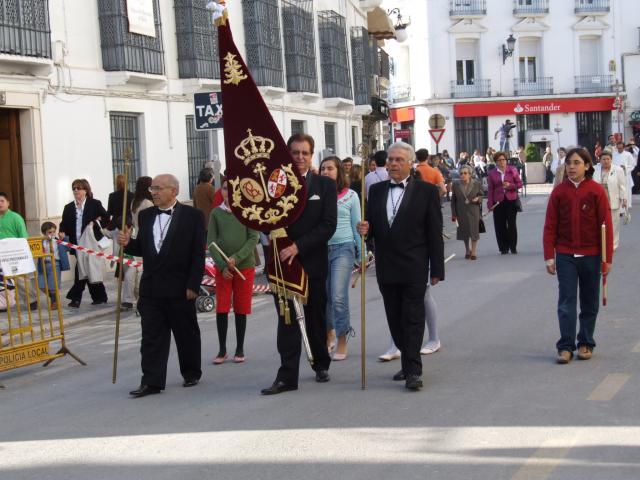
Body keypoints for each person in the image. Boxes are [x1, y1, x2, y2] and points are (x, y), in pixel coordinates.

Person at [357, 142, 444, 391]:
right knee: (394, 318)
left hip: (415, 265)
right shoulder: (376, 191)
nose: (392, 164)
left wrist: (437, 268)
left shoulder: (426, 192)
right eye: (390, 160)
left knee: (413, 317)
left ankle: (414, 370)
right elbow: (372, 226)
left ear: (410, 164)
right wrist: (365, 229)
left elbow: (434, 232)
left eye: (398, 160)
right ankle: (407, 362)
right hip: (386, 266)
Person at [261, 133, 337, 395]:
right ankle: (287, 376)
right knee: (287, 320)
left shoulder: (325, 186)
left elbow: (328, 225)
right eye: (295, 153)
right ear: (288, 155)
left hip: (312, 261)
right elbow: (264, 218)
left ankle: (320, 363)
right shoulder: (273, 185)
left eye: (305, 153)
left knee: (316, 316)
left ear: (311, 155)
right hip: (283, 263)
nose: (300, 158)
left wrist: (298, 246)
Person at [117, 174, 205, 398]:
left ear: (173, 191)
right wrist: (129, 244)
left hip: (180, 287)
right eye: (152, 189)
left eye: (158, 188)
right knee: (151, 337)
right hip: (152, 288)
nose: (153, 192)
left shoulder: (192, 216)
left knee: (185, 333)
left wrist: (193, 284)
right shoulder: (145, 216)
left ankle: (191, 371)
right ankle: (152, 381)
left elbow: (197, 254)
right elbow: (144, 248)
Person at [543, 148, 613, 364]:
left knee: (590, 302)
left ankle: (585, 342)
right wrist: (549, 256)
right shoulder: (559, 192)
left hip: (592, 255)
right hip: (565, 255)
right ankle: (565, 346)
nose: (571, 167)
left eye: (576, 163)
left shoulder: (596, 191)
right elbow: (550, 226)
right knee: (566, 301)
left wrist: (607, 258)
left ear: (587, 166)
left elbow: (607, 226)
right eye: (568, 163)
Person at [207, 179, 259, 365]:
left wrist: (237, 257)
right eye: (225, 188)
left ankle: (240, 347)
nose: (228, 192)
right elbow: (211, 240)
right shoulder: (216, 213)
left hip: (244, 265)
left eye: (232, 189)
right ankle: (222, 349)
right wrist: (222, 266)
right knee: (222, 306)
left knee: (241, 306)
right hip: (223, 268)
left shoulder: (246, 210)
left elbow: (254, 237)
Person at [319, 156, 361, 361]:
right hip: (319, 250)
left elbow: (357, 226)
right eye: (323, 168)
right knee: (324, 297)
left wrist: (361, 254)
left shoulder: (351, 196)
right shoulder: (315, 194)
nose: (326, 172)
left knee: (337, 296)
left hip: (343, 249)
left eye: (330, 168)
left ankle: (343, 339)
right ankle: (329, 333)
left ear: (339, 172)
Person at [59, 179, 108, 308]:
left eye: (79, 188)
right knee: (87, 269)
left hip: (91, 244)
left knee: (81, 270)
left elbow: (106, 218)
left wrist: (95, 222)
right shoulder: (69, 207)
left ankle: (75, 298)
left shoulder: (95, 204)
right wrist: (62, 231)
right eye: (74, 188)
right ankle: (100, 297)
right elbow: (63, 223)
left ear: (85, 190)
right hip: (77, 245)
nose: (76, 191)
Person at [0, 192, 38, 311]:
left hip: (15, 253)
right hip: (1, 253)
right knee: (3, 279)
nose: (0, 203)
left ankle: (32, 300)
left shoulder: (15, 217)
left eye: (2, 201)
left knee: (19, 278)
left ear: (8, 203)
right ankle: (4, 302)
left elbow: (23, 236)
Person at [487, 151, 523, 255]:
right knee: (499, 225)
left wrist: (510, 186)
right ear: (496, 162)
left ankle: (513, 247)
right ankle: (503, 248)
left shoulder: (512, 170)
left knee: (511, 224)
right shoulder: (492, 173)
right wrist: (490, 204)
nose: (502, 162)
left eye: (503, 160)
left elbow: (519, 184)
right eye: (499, 160)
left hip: (511, 200)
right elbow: (490, 190)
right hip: (498, 201)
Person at [593, 151, 627, 250]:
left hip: (613, 198)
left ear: (611, 159)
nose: (606, 161)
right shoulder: (594, 169)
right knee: (599, 222)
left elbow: (622, 186)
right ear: (600, 160)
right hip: (598, 199)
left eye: (608, 159)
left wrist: (624, 199)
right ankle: (600, 243)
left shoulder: (618, 170)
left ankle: (613, 244)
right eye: (604, 159)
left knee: (613, 223)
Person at [452, 165, 483, 260]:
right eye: (461, 173)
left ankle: (473, 252)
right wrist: (454, 214)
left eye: (465, 173)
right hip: (461, 212)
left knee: (474, 232)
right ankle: (467, 250)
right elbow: (453, 200)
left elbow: (481, 196)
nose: (463, 175)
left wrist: (478, 199)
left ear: (470, 174)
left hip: (473, 210)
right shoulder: (455, 185)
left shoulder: (476, 184)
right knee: (464, 232)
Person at [37, 222, 70, 309]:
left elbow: (68, 248)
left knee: (53, 286)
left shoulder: (58, 241)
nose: (52, 234)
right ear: (44, 233)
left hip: (54, 264)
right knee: (41, 285)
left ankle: (54, 303)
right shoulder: (41, 241)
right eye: (49, 232)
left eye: (53, 232)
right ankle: (55, 298)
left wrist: (64, 239)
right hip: (43, 265)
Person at [193, 167, 216, 238]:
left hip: (200, 220)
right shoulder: (211, 188)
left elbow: (194, 205)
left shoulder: (197, 188)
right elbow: (216, 203)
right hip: (210, 220)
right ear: (210, 177)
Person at [612, 141, 634, 208]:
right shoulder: (613, 154)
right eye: (618, 148)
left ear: (623, 147)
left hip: (625, 175)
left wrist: (625, 167)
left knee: (626, 190)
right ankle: (618, 205)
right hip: (616, 175)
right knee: (617, 190)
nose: (619, 149)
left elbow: (632, 164)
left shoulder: (628, 154)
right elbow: (611, 164)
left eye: (621, 148)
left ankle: (627, 204)